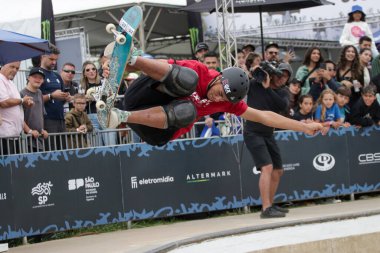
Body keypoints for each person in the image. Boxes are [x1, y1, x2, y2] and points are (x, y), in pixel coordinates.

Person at [100, 55, 322, 147]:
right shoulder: (200, 69)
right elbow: (159, 68)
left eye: (224, 99)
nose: (218, 99)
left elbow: (264, 116)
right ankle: (132, 56)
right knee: (187, 79)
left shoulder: (229, 103)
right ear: (219, 78)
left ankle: (120, 116)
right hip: (142, 94)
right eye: (220, 93)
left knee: (187, 110)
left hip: (156, 129)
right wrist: (123, 67)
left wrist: (303, 126)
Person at [243, 63, 293, 218]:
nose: (281, 78)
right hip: (252, 133)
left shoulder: (283, 92)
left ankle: (269, 205)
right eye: (280, 74)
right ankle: (266, 209)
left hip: (268, 134)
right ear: (272, 74)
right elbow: (239, 86)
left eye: (285, 76)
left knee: (278, 171)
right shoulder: (254, 84)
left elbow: (282, 106)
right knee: (267, 167)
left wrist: (267, 88)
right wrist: (252, 73)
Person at [0, 61, 34, 155]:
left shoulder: (10, 82)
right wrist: (22, 100)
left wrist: (25, 102)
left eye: (17, 68)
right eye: (12, 67)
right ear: (3, 65)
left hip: (14, 135)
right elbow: (4, 102)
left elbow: (14, 104)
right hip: (4, 136)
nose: (15, 70)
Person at [80, 61, 117, 146]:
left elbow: (112, 95)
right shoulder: (82, 86)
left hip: (106, 116)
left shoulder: (104, 82)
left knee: (111, 145)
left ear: (96, 71)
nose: (91, 71)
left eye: (93, 69)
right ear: (84, 73)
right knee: (97, 147)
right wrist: (85, 99)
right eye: (88, 70)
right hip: (91, 117)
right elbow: (79, 104)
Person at [39, 45, 69, 136]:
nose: (54, 62)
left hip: (60, 118)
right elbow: (35, 99)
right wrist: (51, 96)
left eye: (56, 60)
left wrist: (66, 97)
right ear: (43, 56)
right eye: (51, 59)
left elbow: (60, 98)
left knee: (63, 149)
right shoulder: (37, 74)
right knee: (51, 148)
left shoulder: (57, 76)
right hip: (46, 119)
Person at [20, 67, 49, 151]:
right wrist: (29, 131)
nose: (38, 79)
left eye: (40, 78)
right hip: (26, 140)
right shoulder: (21, 94)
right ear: (29, 78)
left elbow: (40, 115)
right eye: (35, 77)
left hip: (39, 139)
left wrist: (42, 129)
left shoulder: (40, 93)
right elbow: (19, 117)